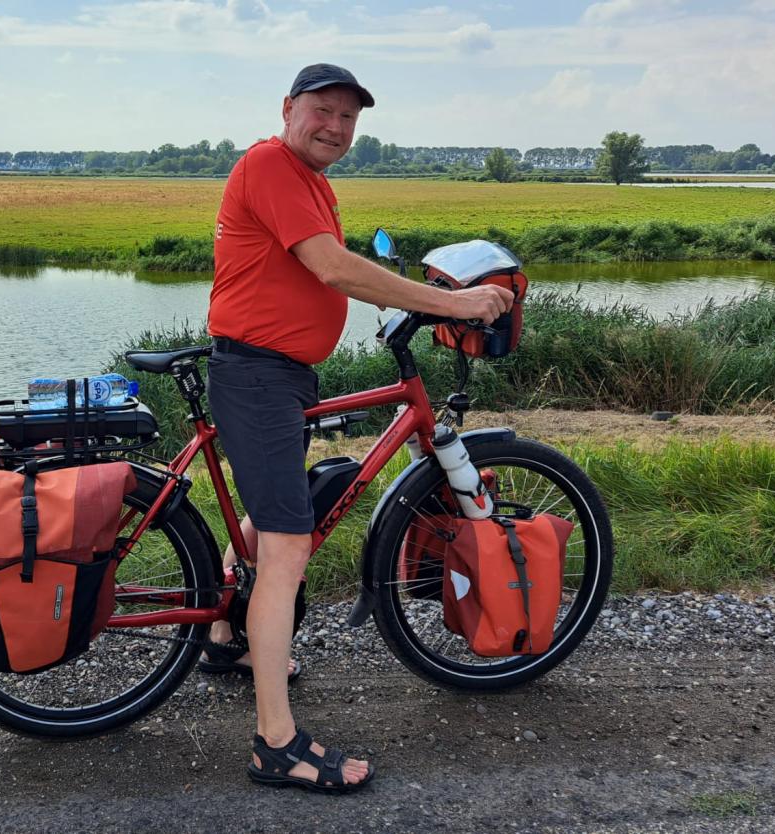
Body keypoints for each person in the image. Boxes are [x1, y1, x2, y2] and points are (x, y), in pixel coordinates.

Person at [201, 63, 515, 794]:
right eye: (323, 111)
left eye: (349, 118)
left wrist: (394, 296)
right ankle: (275, 745)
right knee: (287, 549)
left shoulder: (310, 181)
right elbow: (332, 267)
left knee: (266, 512)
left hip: (274, 373)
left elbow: (325, 272)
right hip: (256, 376)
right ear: (288, 109)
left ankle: (223, 637)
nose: (336, 127)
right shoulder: (270, 164)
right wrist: (456, 306)